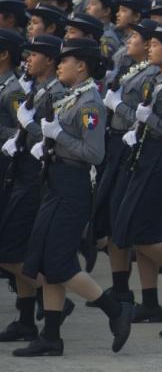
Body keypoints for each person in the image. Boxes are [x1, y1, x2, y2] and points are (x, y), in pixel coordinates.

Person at [15, 38, 131, 356]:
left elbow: (94, 153)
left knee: (60, 263)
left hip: (73, 186)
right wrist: (44, 140)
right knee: (44, 262)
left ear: (81, 65)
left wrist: (57, 136)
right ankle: (50, 336)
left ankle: (115, 310)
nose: (59, 65)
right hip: (56, 180)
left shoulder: (90, 104)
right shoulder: (71, 98)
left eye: (65, 60)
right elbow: (63, 140)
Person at [111, 24, 162, 323]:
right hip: (144, 154)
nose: (149, 48)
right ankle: (149, 302)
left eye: (156, 44)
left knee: (142, 232)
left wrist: (153, 122)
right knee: (136, 232)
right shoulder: (156, 79)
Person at [0, 35, 66, 342]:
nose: (29, 59)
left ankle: (55, 297)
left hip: (36, 176)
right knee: (17, 249)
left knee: (12, 249)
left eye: (35, 54)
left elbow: (52, 137)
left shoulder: (52, 94)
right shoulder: (36, 90)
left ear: (50, 60)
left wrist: (23, 128)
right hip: (21, 173)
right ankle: (26, 318)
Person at [97, 19, 159, 306]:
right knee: (111, 219)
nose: (129, 40)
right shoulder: (130, 69)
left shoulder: (151, 76)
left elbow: (144, 117)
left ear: (148, 45)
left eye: (135, 36)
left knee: (127, 222)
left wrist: (117, 105)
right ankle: (121, 287)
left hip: (133, 146)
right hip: (116, 145)